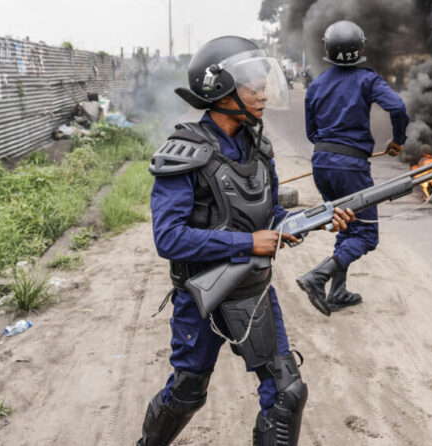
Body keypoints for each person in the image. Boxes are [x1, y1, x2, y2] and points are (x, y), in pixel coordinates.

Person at [137, 36, 355, 445]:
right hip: (200, 300)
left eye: (264, 84)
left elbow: (269, 216)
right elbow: (168, 238)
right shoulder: (183, 153)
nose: (264, 94)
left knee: (287, 394)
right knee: (186, 393)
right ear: (219, 91)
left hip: (253, 293)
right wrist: (246, 243)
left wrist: (318, 219)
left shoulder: (259, 145)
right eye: (253, 87)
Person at [298, 20, 410, 316]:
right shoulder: (368, 80)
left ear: (327, 50)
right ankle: (318, 277)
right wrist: (397, 140)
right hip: (351, 168)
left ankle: (337, 292)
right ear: (361, 48)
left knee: (345, 222)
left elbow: (312, 133)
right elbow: (398, 108)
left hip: (322, 162)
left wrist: (331, 147)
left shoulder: (316, 84)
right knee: (365, 235)